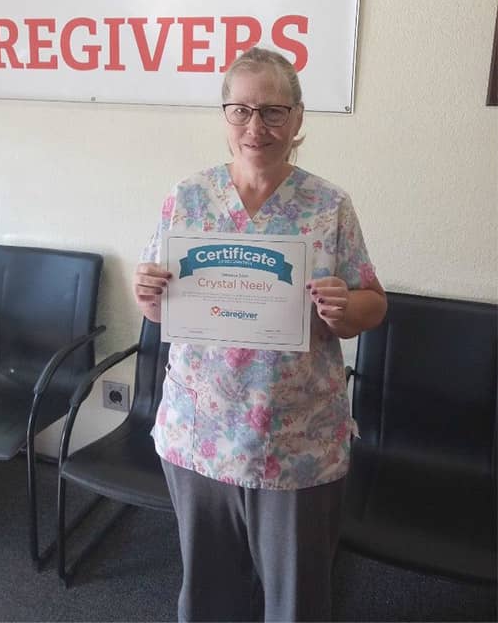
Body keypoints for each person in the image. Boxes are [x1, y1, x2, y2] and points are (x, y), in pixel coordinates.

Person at [133, 46, 387, 623]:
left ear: (298, 120)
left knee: (295, 601)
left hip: (295, 442)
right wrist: (146, 296)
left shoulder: (329, 206)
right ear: (224, 116)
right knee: (208, 594)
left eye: (274, 111)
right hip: (199, 433)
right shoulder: (188, 198)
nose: (257, 126)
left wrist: (345, 310)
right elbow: (158, 311)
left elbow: (373, 305)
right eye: (241, 109)